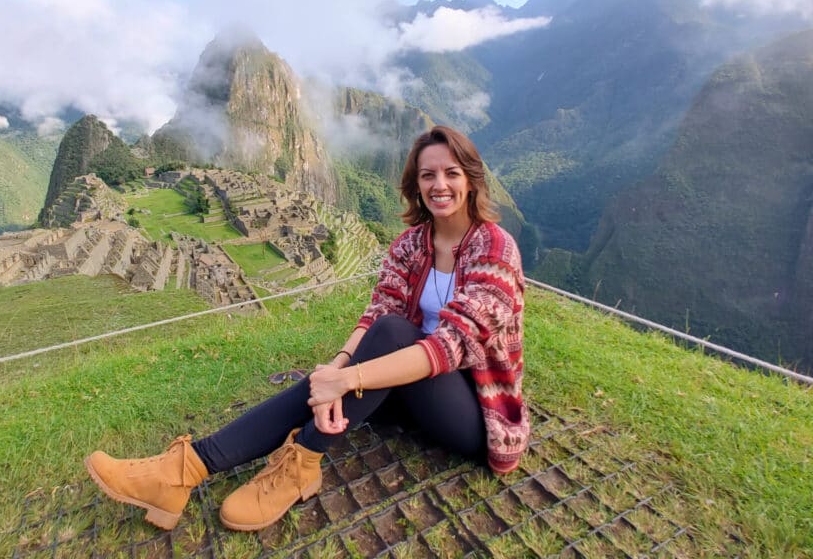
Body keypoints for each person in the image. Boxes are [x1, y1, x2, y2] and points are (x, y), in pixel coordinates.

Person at [84, 125, 529, 532]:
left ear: (471, 179)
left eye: (451, 173)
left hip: (472, 411)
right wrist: (336, 367)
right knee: (339, 366)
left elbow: (449, 347)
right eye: (428, 175)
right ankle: (185, 470)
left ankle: (299, 464)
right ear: (416, 184)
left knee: (389, 337)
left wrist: (348, 378)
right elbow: (378, 312)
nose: (439, 185)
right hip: (404, 387)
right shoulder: (411, 245)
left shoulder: (495, 249)